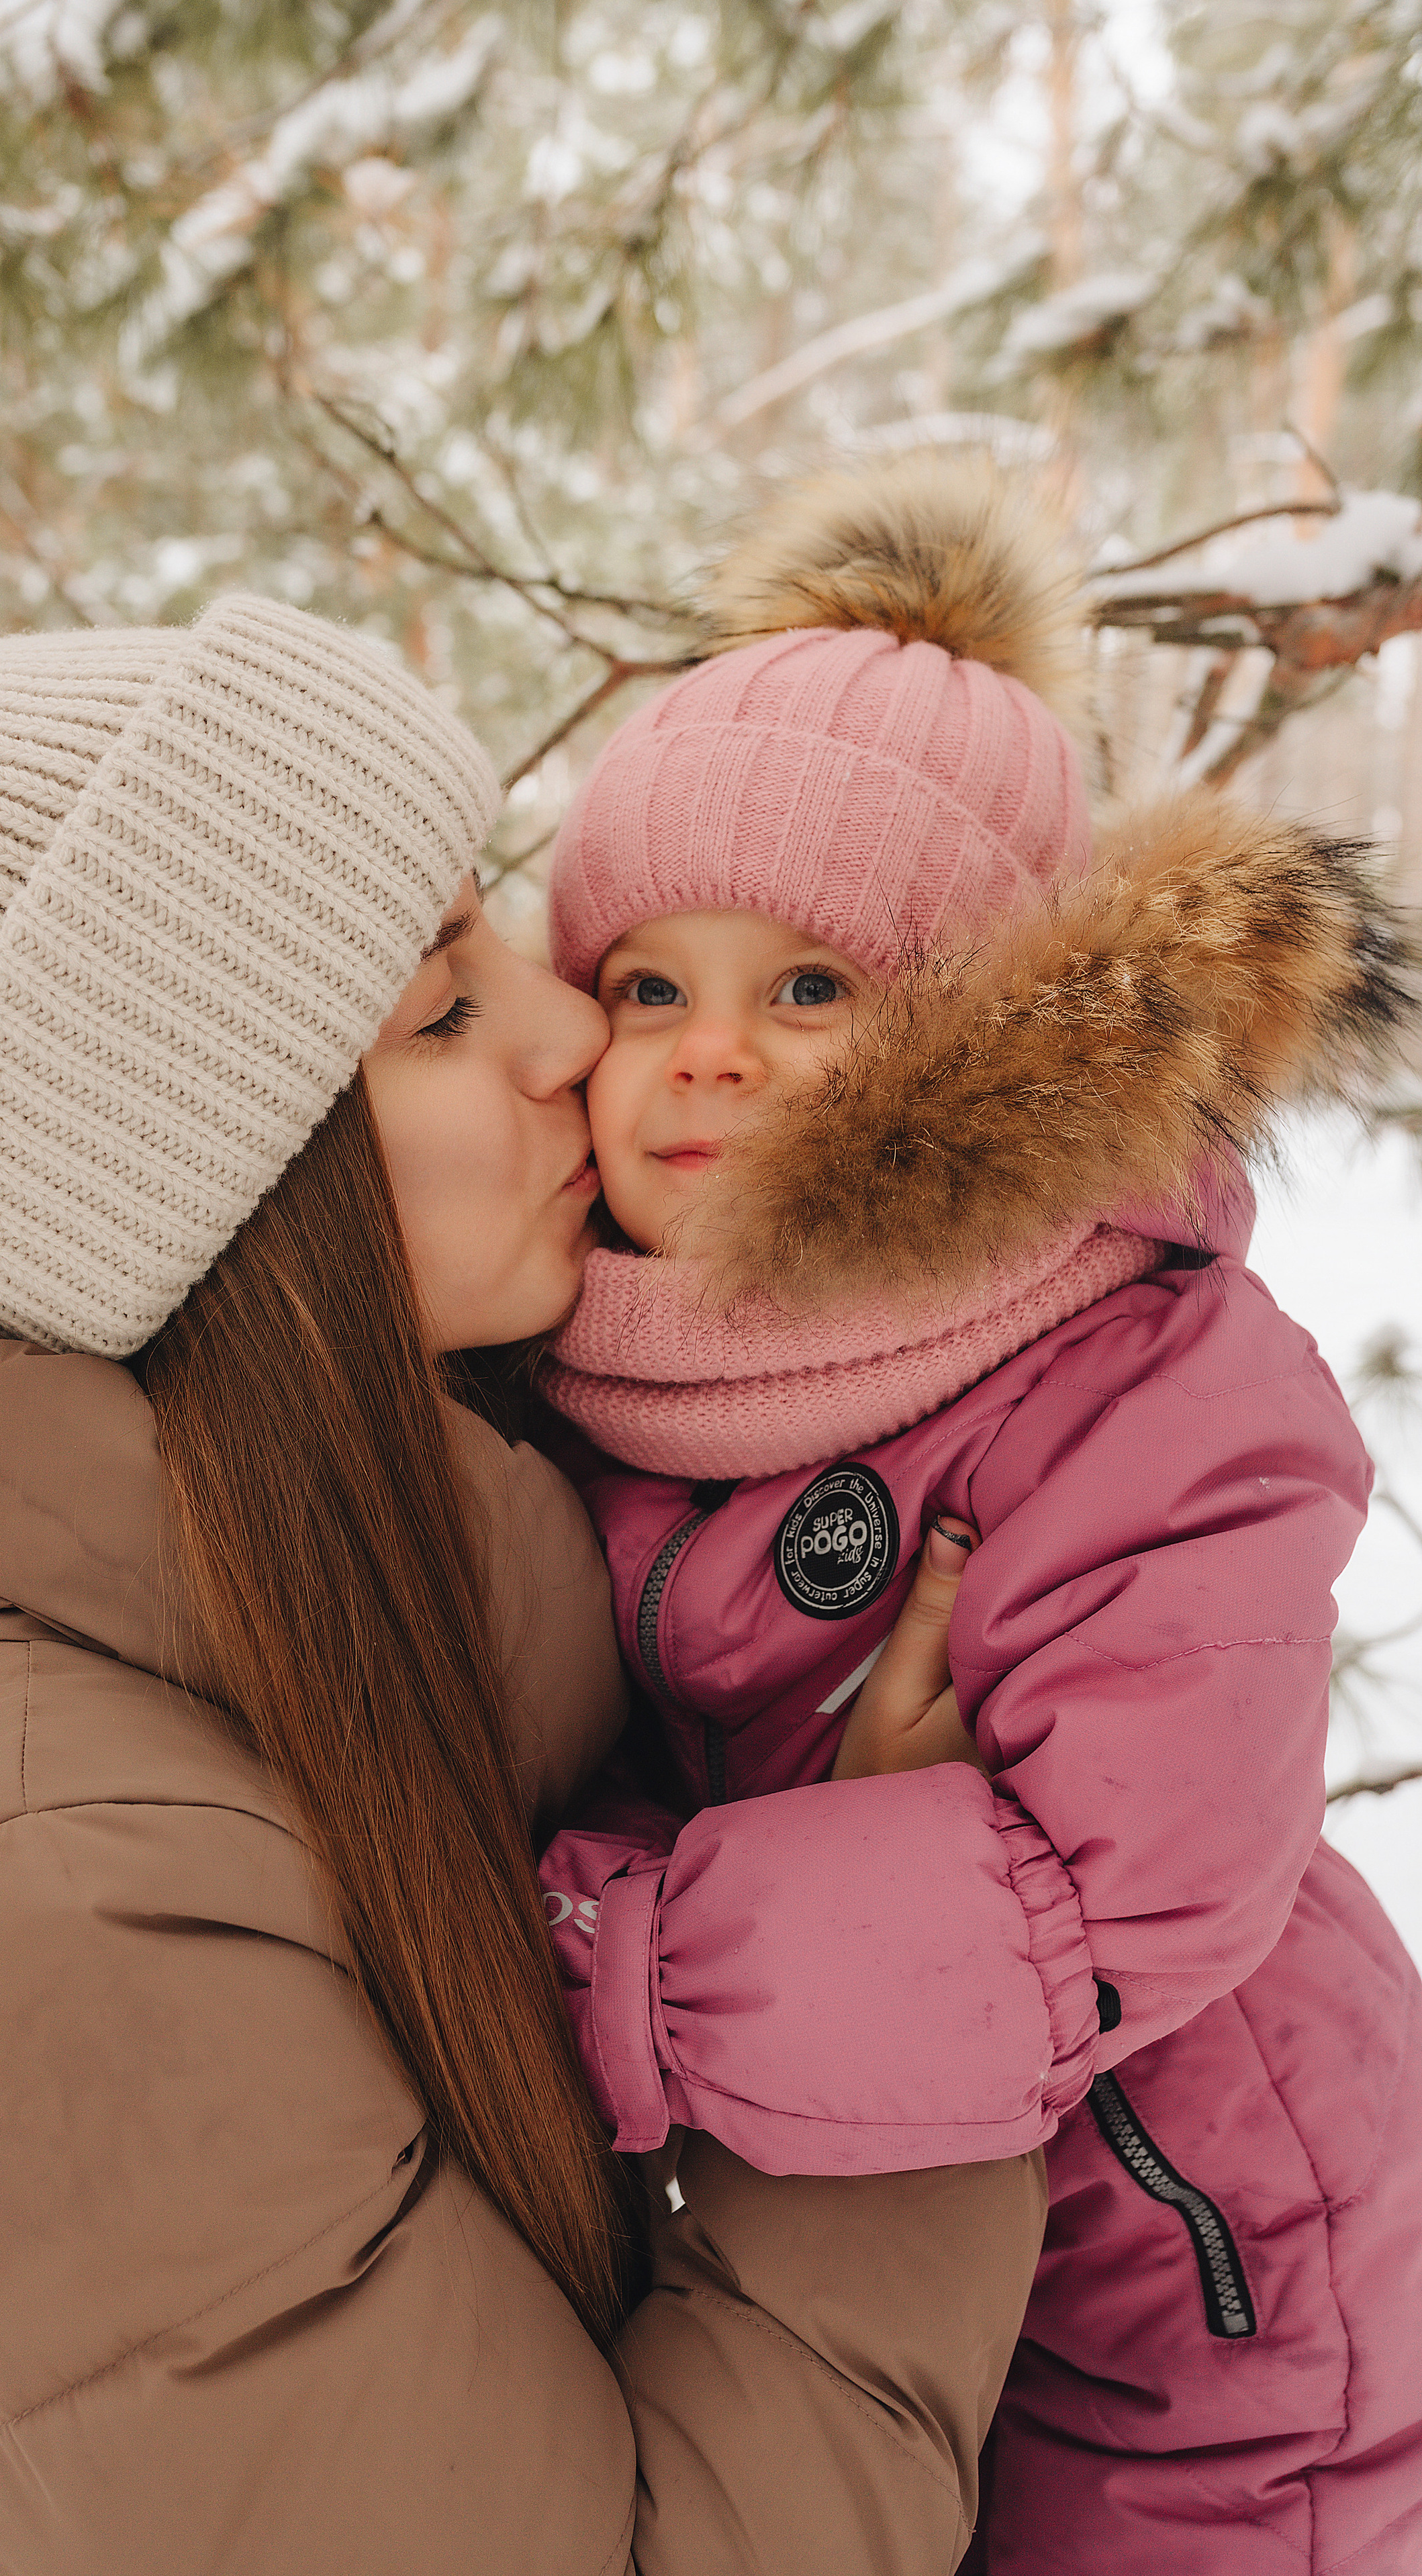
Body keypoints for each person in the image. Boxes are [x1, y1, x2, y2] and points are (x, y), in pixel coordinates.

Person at [0, 598, 1043, 2575]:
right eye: (440, 1009)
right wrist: (884, 1991)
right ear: (208, 1194)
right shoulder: (9, 1915)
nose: (577, 1031)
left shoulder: (344, 1598)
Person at [534, 452, 1422, 2575]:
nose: (709, 1057)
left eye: (810, 991)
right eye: (651, 987)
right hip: (891, 2245)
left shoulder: (1133, 1375)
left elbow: (1115, 1896)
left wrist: (591, 1965)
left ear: (975, 1042)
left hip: (1219, 2282)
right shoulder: (612, 1372)